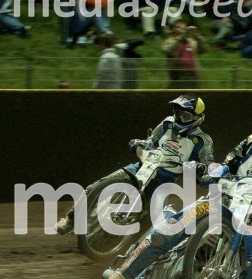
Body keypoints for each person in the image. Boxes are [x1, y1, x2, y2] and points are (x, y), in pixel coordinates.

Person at [104, 109, 252, 279]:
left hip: (247, 223)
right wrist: (212, 171)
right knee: (172, 227)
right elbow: (226, 164)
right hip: (217, 203)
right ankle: (123, 274)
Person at [56, 95, 215, 235]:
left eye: (185, 116)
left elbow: (208, 169)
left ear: (198, 118)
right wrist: (139, 143)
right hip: (142, 168)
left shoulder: (203, 141)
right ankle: (70, 221)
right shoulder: (167, 123)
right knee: (94, 188)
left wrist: (201, 170)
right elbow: (150, 141)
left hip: (164, 183)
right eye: (177, 113)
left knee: (158, 226)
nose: (179, 118)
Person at [162, 19, 207, 89]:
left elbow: (204, 50)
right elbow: (167, 50)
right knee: (175, 96)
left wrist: (197, 35)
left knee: (191, 97)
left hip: (192, 74)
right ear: (173, 29)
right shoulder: (169, 41)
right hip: (176, 74)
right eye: (178, 27)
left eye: (184, 27)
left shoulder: (191, 42)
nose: (182, 29)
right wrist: (180, 37)